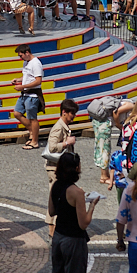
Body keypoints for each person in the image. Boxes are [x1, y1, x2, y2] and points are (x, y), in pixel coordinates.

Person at [48, 151, 98, 273]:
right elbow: (83, 223)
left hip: (58, 238)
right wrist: (91, 205)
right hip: (73, 241)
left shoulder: (55, 185)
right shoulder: (77, 192)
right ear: (76, 168)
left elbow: (52, 211)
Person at [44, 99, 79, 236]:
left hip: (59, 168)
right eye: (72, 114)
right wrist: (66, 143)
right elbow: (52, 147)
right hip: (54, 169)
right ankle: (52, 231)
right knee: (55, 198)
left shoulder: (64, 125)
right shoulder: (58, 127)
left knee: (59, 198)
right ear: (64, 112)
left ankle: (55, 229)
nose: (73, 116)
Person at [12, 44, 44, 150]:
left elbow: (38, 80)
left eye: (21, 55)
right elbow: (27, 76)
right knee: (17, 113)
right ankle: (32, 132)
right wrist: (18, 80)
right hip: (25, 94)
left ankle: (34, 141)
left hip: (32, 95)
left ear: (27, 53)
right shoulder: (26, 62)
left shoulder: (36, 63)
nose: (20, 58)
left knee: (32, 118)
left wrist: (23, 86)